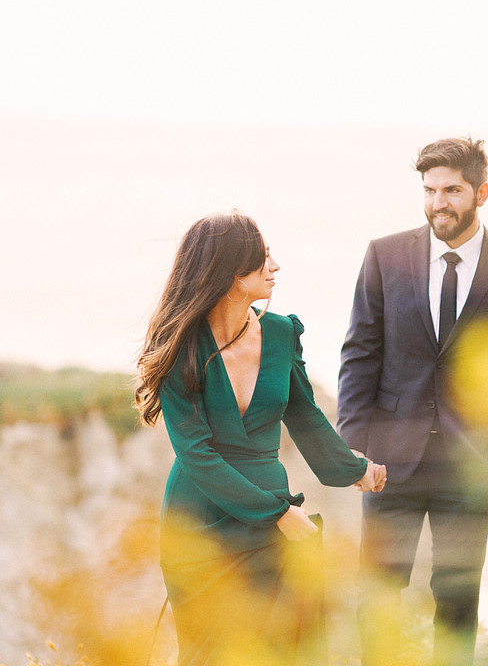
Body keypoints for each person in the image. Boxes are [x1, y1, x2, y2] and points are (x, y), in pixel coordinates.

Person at [135, 210, 387, 666]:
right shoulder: (178, 343)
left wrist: (356, 470)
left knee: (283, 650)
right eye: (261, 260)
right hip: (201, 526)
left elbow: (305, 415)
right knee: (208, 655)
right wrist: (277, 512)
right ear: (230, 278)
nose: (274, 268)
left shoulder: (281, 332)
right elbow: (196, 455)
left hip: (275, 518)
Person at [338, 137, 488, 666]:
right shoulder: (385, 255)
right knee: (377, 597)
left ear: (481, 193)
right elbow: (360, 354)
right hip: (389, 461)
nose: (438, 203)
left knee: (456, 600)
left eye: (452, 190)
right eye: (429, 191)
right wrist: (354, 450)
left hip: (470, 463)